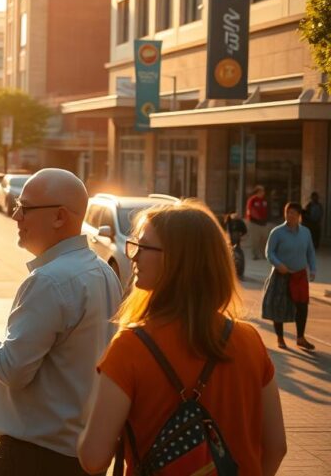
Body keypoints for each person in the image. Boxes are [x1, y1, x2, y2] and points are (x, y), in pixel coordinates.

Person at [78, 201, 287, 476]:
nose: (134, 256)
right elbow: (277, 447)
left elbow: (93, 459)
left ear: (178, 260)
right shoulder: (249, 340)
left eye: (144, 247)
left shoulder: (130, 347)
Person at [0, 168, 122, 476]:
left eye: (24, 208)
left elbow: (13, 370)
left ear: (59, 217)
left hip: (33, 458)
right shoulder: (103, 272)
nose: (15, 216)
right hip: (79, 455)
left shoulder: (49, 281)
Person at [262, 202, 317, 350]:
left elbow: (310, 251)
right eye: (288, 212)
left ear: (299, 215)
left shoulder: (305, 232)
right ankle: (280, 338)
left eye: (293, 212)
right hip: (281, 274)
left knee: (302, 307)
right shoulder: (277, 232)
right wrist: (278, 264)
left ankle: (300, 338)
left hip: (299, 276)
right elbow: (269, 252)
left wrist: (312, 269)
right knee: (278, 307)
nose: (290, 215)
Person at [246, 185, 269, 259]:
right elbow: (250, 210)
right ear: (257, 192)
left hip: (263, 223)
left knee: (264, 239)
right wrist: (257, 218)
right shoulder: (252, 200)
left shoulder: (265, 200)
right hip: (254, 223)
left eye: (263, 191)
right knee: (255, 240)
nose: (263, 193)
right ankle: (255, 255)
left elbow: (267, 210)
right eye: (261, 191)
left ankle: (264, 254)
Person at [225, 212, 248, 280]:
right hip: (229, 241)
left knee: (237, 254)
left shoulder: (240, 222)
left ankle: (238, 272)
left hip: (236, 241)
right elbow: (227, 231)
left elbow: (245, 230)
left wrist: (240, 235)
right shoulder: (229, 222)